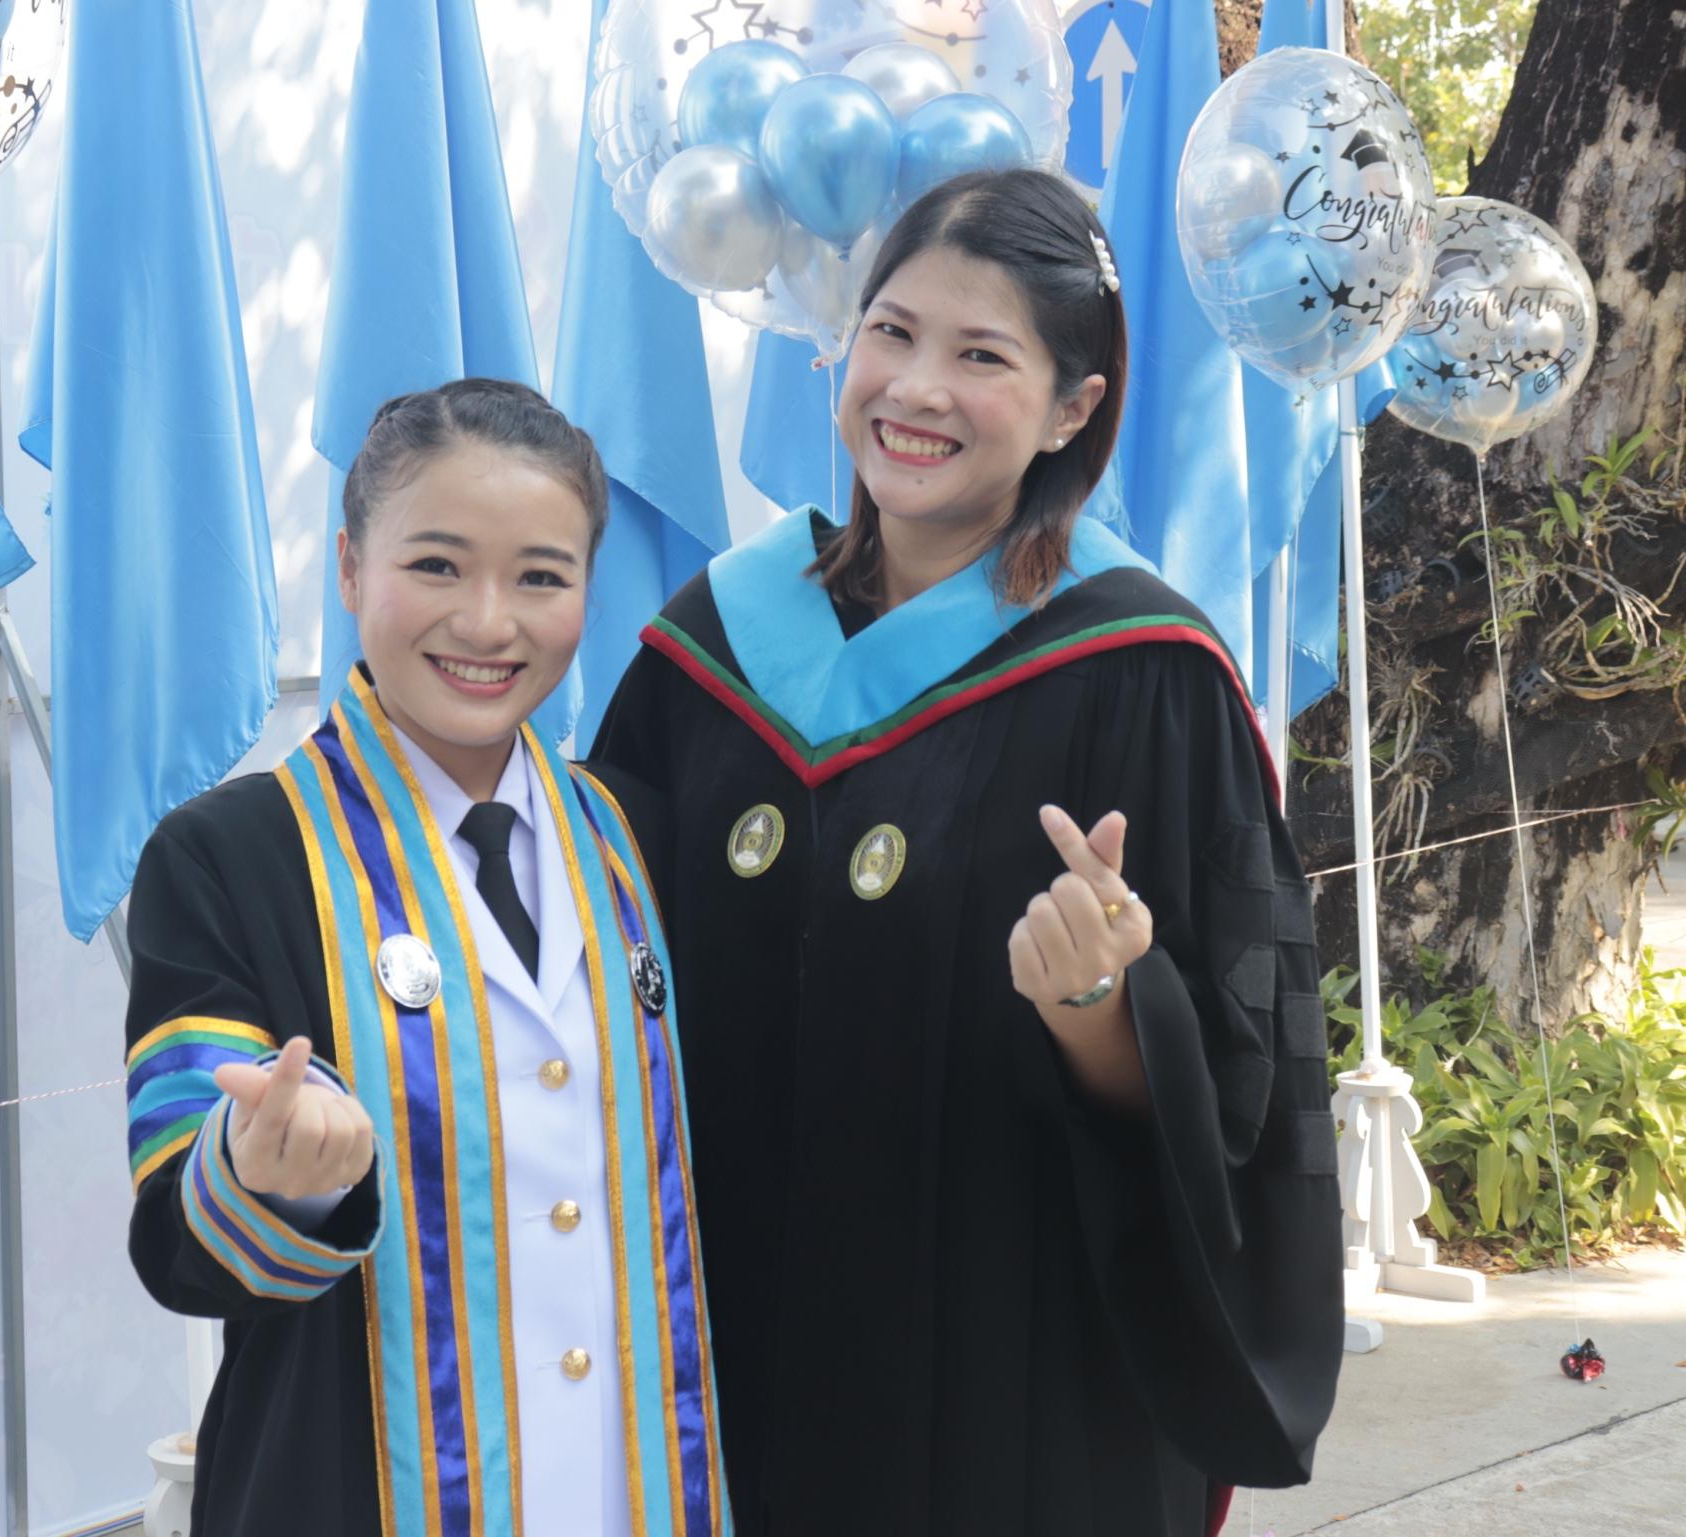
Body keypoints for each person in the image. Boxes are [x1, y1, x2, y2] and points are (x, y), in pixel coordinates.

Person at [592, 169, 1343, 1536]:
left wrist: (1105, 1004)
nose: (916, 388)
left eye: (981, 354)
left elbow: (1241, 1096)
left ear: (1074, 406)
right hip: (721, 1361)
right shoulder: (709, 646)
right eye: (892, 331)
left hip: (1014, 1388)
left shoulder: (1143, 675)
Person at [122, 379, 728, 1536]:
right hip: (351, 1491)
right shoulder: (229, 858)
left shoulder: (637, 837)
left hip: (631, 1486)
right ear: (349, 567)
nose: (488, 622)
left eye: (540, 576)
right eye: (436, 566)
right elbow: (177, 1245)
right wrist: (260, 1170)